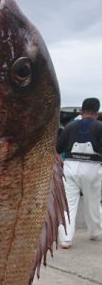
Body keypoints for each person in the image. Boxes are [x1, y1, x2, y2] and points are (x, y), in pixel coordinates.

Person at [57, 97, 102, 248]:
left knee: (68, 204)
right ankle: (95, 232)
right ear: (97, 112)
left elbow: (58, 148)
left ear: (81, 111)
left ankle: (66, 239)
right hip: (93, 167)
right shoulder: (99, 127)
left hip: (70, 166)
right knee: (93, 202)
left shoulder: (70, 127)